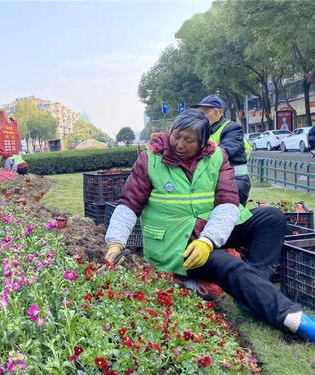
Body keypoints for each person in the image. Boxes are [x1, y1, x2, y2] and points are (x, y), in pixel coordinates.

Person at [104, 109, 315, 342]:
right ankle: (295, 319)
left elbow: (227, 204)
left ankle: (252, 294)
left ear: (203, 142)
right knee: (227, 265)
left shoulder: (217, 157)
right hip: (176, 241)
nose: (180, 144)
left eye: (189, 140)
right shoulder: (150, 158)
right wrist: (115, 241)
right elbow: (128, 203)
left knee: (271, 218)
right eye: (177, 136)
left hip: (208, 232)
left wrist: (208, 240)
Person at [191, 95, 251, 205]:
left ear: (220, 112)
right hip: (213, 181)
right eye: (200, 112)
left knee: (229, 218)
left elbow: (226, 151)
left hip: (234, 182)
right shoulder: (203, 131)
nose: (202, 116)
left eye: (206, 112)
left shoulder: (232, 128)